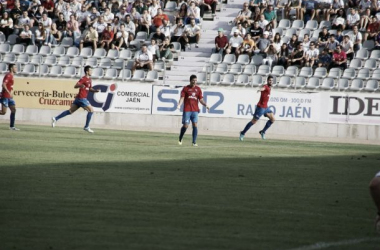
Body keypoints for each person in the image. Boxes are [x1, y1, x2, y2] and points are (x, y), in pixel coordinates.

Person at [51, 66, 99, 133]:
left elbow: (90, 88)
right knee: (91, 110)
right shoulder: (83, 78)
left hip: (78, 99)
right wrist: (80, 85)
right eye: (90, 70)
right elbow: (75, 86)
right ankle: (86, 126)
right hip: (82, 98)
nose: (91, 72)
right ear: (87, 72)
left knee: (70, 111)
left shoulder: (89, 79)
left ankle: (55, 118)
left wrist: (95, 91)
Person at [177, 75, 210, 147]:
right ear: (190, 80)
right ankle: (180, 138)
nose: (195, 82)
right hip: (187, 110)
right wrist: (179, 104)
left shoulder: (198, 89)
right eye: (193, 80)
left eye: (196, 80)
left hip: (195, 110)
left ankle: (194, 142)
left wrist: (206, 105)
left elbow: (201, 100)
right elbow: (182, 98)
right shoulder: (185, 88)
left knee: (195, 124)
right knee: (186, 125)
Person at [239, 76, 275, 141]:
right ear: (267, 80)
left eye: (272, 80)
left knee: (273, 119)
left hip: (266, 107)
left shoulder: (269, 88)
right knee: (253, 121)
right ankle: (242, 133)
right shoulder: (266, 87)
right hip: (260, 108)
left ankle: (262, 132)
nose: (271, 82)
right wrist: (260, 90)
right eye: (270, 80)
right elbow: (263, 88)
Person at [0, 64, 19, 131]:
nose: (16, 68)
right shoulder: (8, 75)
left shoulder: (12, 76)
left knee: (13, 110)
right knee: (3, 112)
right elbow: (3, 84)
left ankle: (12, 126)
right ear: (11, 68)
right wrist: (9, 92)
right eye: (15, 67)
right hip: (5, 96)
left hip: (9, 97)